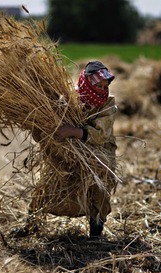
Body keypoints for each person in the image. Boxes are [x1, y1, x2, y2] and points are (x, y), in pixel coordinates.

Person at [16, 60, 118, 239]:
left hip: (99, 155)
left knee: (97, 189)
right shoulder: (71, 100)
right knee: (51, 184)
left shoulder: (107, 105)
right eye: (98, 85)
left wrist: (73, 131)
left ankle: (95, 234)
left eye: (105, 85)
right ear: (86, 84)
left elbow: (101, 134)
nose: (103, 89)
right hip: (68, 153)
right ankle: (30, 224)